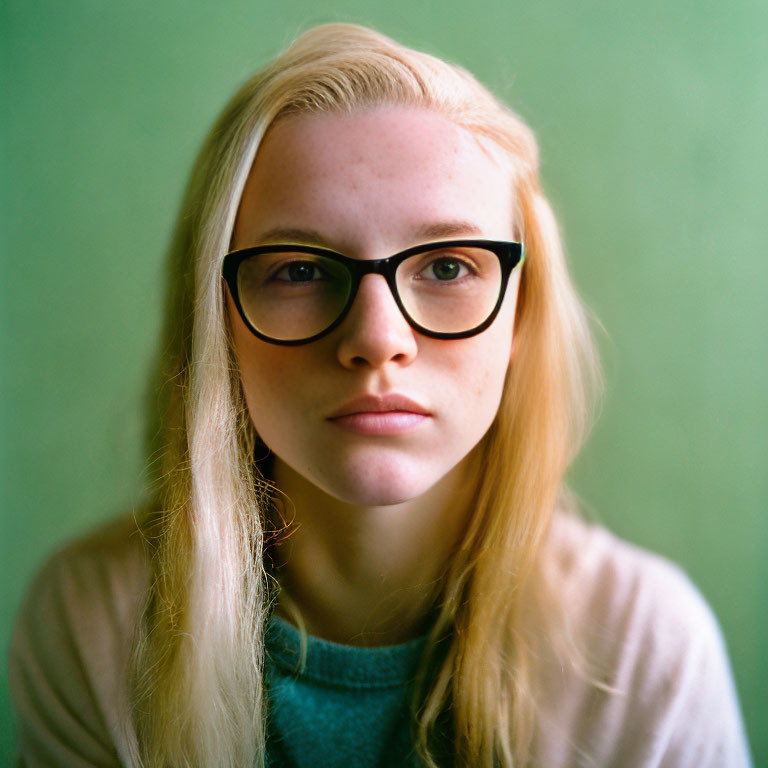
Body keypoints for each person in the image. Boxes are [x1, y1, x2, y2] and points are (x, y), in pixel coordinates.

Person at [8, 22, 752, 768]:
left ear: (519, 317)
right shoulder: (95, 627)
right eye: (299, 270)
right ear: (218, 321)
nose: (376, 338)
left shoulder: (642, 653)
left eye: (449, 267)